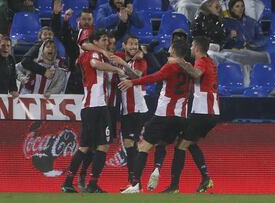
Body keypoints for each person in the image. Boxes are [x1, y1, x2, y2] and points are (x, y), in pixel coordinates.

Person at [119, 39, 191, 194]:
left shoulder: (170, 67)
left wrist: (133, 82)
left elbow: (153, 77)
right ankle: (167, 178)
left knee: (143, 147)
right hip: (181, 117)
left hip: (164, 114)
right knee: (165, 144)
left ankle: (136, 185)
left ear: (173, 50)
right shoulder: (190, 69)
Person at [61, 29, 125, 193]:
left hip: (97, 106)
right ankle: (69, 182)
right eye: (103, 40)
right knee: (86, 147)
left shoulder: (88, 55)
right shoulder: (92, 54)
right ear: (95, 42)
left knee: (102, 146)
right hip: (94, 107)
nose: (106, 43)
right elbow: (95, 64)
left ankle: (90, 184)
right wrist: (116, 69)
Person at [162, 36, 219, 193]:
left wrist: (178, 60)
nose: (191, 49)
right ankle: (205, 178)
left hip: (203, 111)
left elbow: (196, 74)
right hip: (211, 111)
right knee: (188, 142)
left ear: (197, 48)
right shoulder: (211, 62)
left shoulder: (201, 61)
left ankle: (174, 186)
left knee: (181, 145)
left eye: (193, 46)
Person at [111, 35, 148, 185]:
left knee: (132, 144)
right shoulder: (121, 56)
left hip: (137, 109)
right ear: (124, 45)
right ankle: (133, 181)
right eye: (131, 44)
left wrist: (123, 65)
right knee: (129, 145)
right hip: (126, 110)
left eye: (136, 44)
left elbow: (136, 77)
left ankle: (135, 181)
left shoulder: (140, 61)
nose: (133, 47)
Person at [208, 0, 270, 87]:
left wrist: (252, 44)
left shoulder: (252, 22)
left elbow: (262, 40)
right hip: (232, 53)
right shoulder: (224, 23)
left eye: (242, 6)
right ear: (231, 9)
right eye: (237, 6)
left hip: (250, 52)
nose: (240, 8)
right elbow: (220, 42)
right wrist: (229, 36)